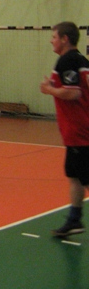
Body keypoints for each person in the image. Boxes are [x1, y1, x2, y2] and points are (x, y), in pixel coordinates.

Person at [39, 22, 89, 237]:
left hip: (80, 131)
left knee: (85, 177)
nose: (52, 40)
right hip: (75, 131)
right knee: (74, 176)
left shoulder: (67, 60)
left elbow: (74, 92)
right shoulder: (81, 61)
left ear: (65, 39)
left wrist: (49, 89)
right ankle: (74, 220)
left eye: (54, 37)